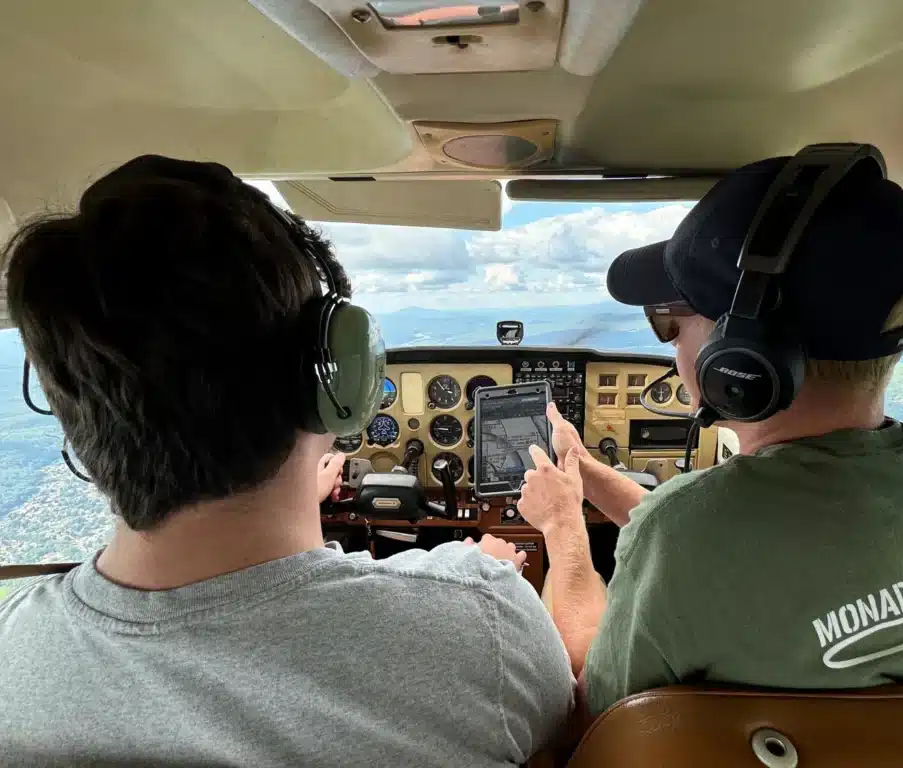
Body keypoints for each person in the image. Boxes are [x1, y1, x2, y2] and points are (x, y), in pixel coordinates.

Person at [0, 155, 574, 766]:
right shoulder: (480, 622)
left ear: (74, 408)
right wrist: (507, 562)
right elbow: (573, 729)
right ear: (338, 381)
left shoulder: (13, 649)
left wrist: (296, 498)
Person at [517, 153, 903, 716]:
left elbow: (596, 708)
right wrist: (586, 474)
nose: (671, 343)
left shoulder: (685, 535)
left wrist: (562, 526)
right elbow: (726, 544)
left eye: (669, 321)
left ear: (739, 358)